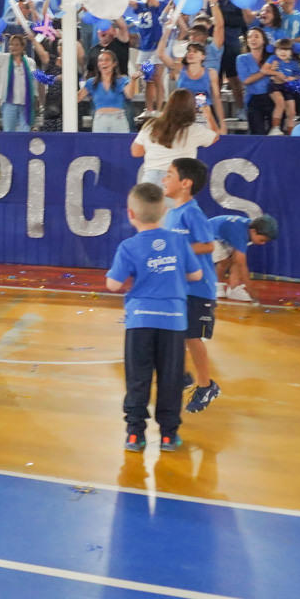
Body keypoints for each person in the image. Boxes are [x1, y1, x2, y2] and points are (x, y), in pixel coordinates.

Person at [105, 181, 202, 454]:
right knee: (171, 379)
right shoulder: (179, 242)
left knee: (138, 378)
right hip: (173, 321)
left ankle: (135, 433)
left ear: (131, 214)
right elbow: (196, 275)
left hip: (140, 322)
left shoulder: (128, 246)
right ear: (163, 212)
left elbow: (113, 284)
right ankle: (169, 435)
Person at [160, 158, 222, 415]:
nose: (164, 179)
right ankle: (181, 374)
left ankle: (206, 385)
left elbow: (208, 245)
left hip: (197, 289)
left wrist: (177, 248)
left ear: (185, 183)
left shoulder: (191, 213)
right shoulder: (171, 214)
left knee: (192, 337)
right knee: (172, 332)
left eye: (169, 174)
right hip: (179, 288)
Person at [130, 88, 217, 185]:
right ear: (192, 107)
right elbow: (215, 136)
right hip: (178, 180)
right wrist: (209, 115)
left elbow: (136, 152)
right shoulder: (194, 129)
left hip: (151, 180)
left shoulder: (151, 125)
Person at [209, 213, 278, 303]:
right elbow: (242, 265)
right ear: (253, 231)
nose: (263, 243)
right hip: (209, 233)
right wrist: (250, 290)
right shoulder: (240, 233)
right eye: (262, 240)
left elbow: (237, 261)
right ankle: (217, 286)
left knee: (234, 259)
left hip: (224, 236)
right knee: (224, 260)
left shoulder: (250, 230)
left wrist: (236, 285)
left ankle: (234, 289)